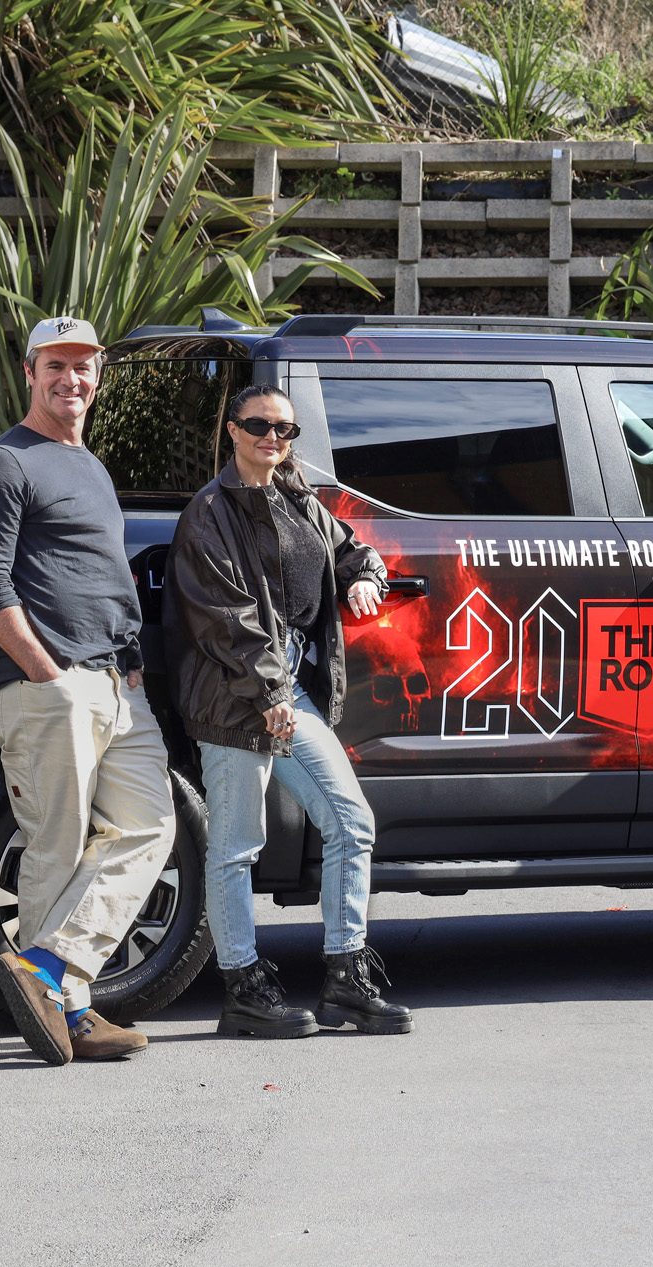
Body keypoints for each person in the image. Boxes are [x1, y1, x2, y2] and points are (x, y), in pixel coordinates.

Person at [164, 384, 412, 1036]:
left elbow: (351, 547)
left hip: (287, 692)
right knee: (237, 846)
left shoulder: (296, 496)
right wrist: (271, 693)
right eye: (259, 425)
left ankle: (346, 979)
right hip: (235, 697)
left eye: (285, 429)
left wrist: (363, 577)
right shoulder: (210, 513)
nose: (273, 438)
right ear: (232, 430)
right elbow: (227, 621)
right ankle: (243, 989)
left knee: (350, 822)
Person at [0, 316, 174, 1064]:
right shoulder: (2, 463)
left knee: (150, 827)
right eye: (56, 366)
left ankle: (50, 968)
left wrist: (130, 661)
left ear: (98, 375)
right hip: (45, 684)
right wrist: (45, 672)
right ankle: (71, 1013)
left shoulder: (90, 465)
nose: (71, 380)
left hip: (116, 681)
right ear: (29, 372)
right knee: (56, 843)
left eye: (83, 367)